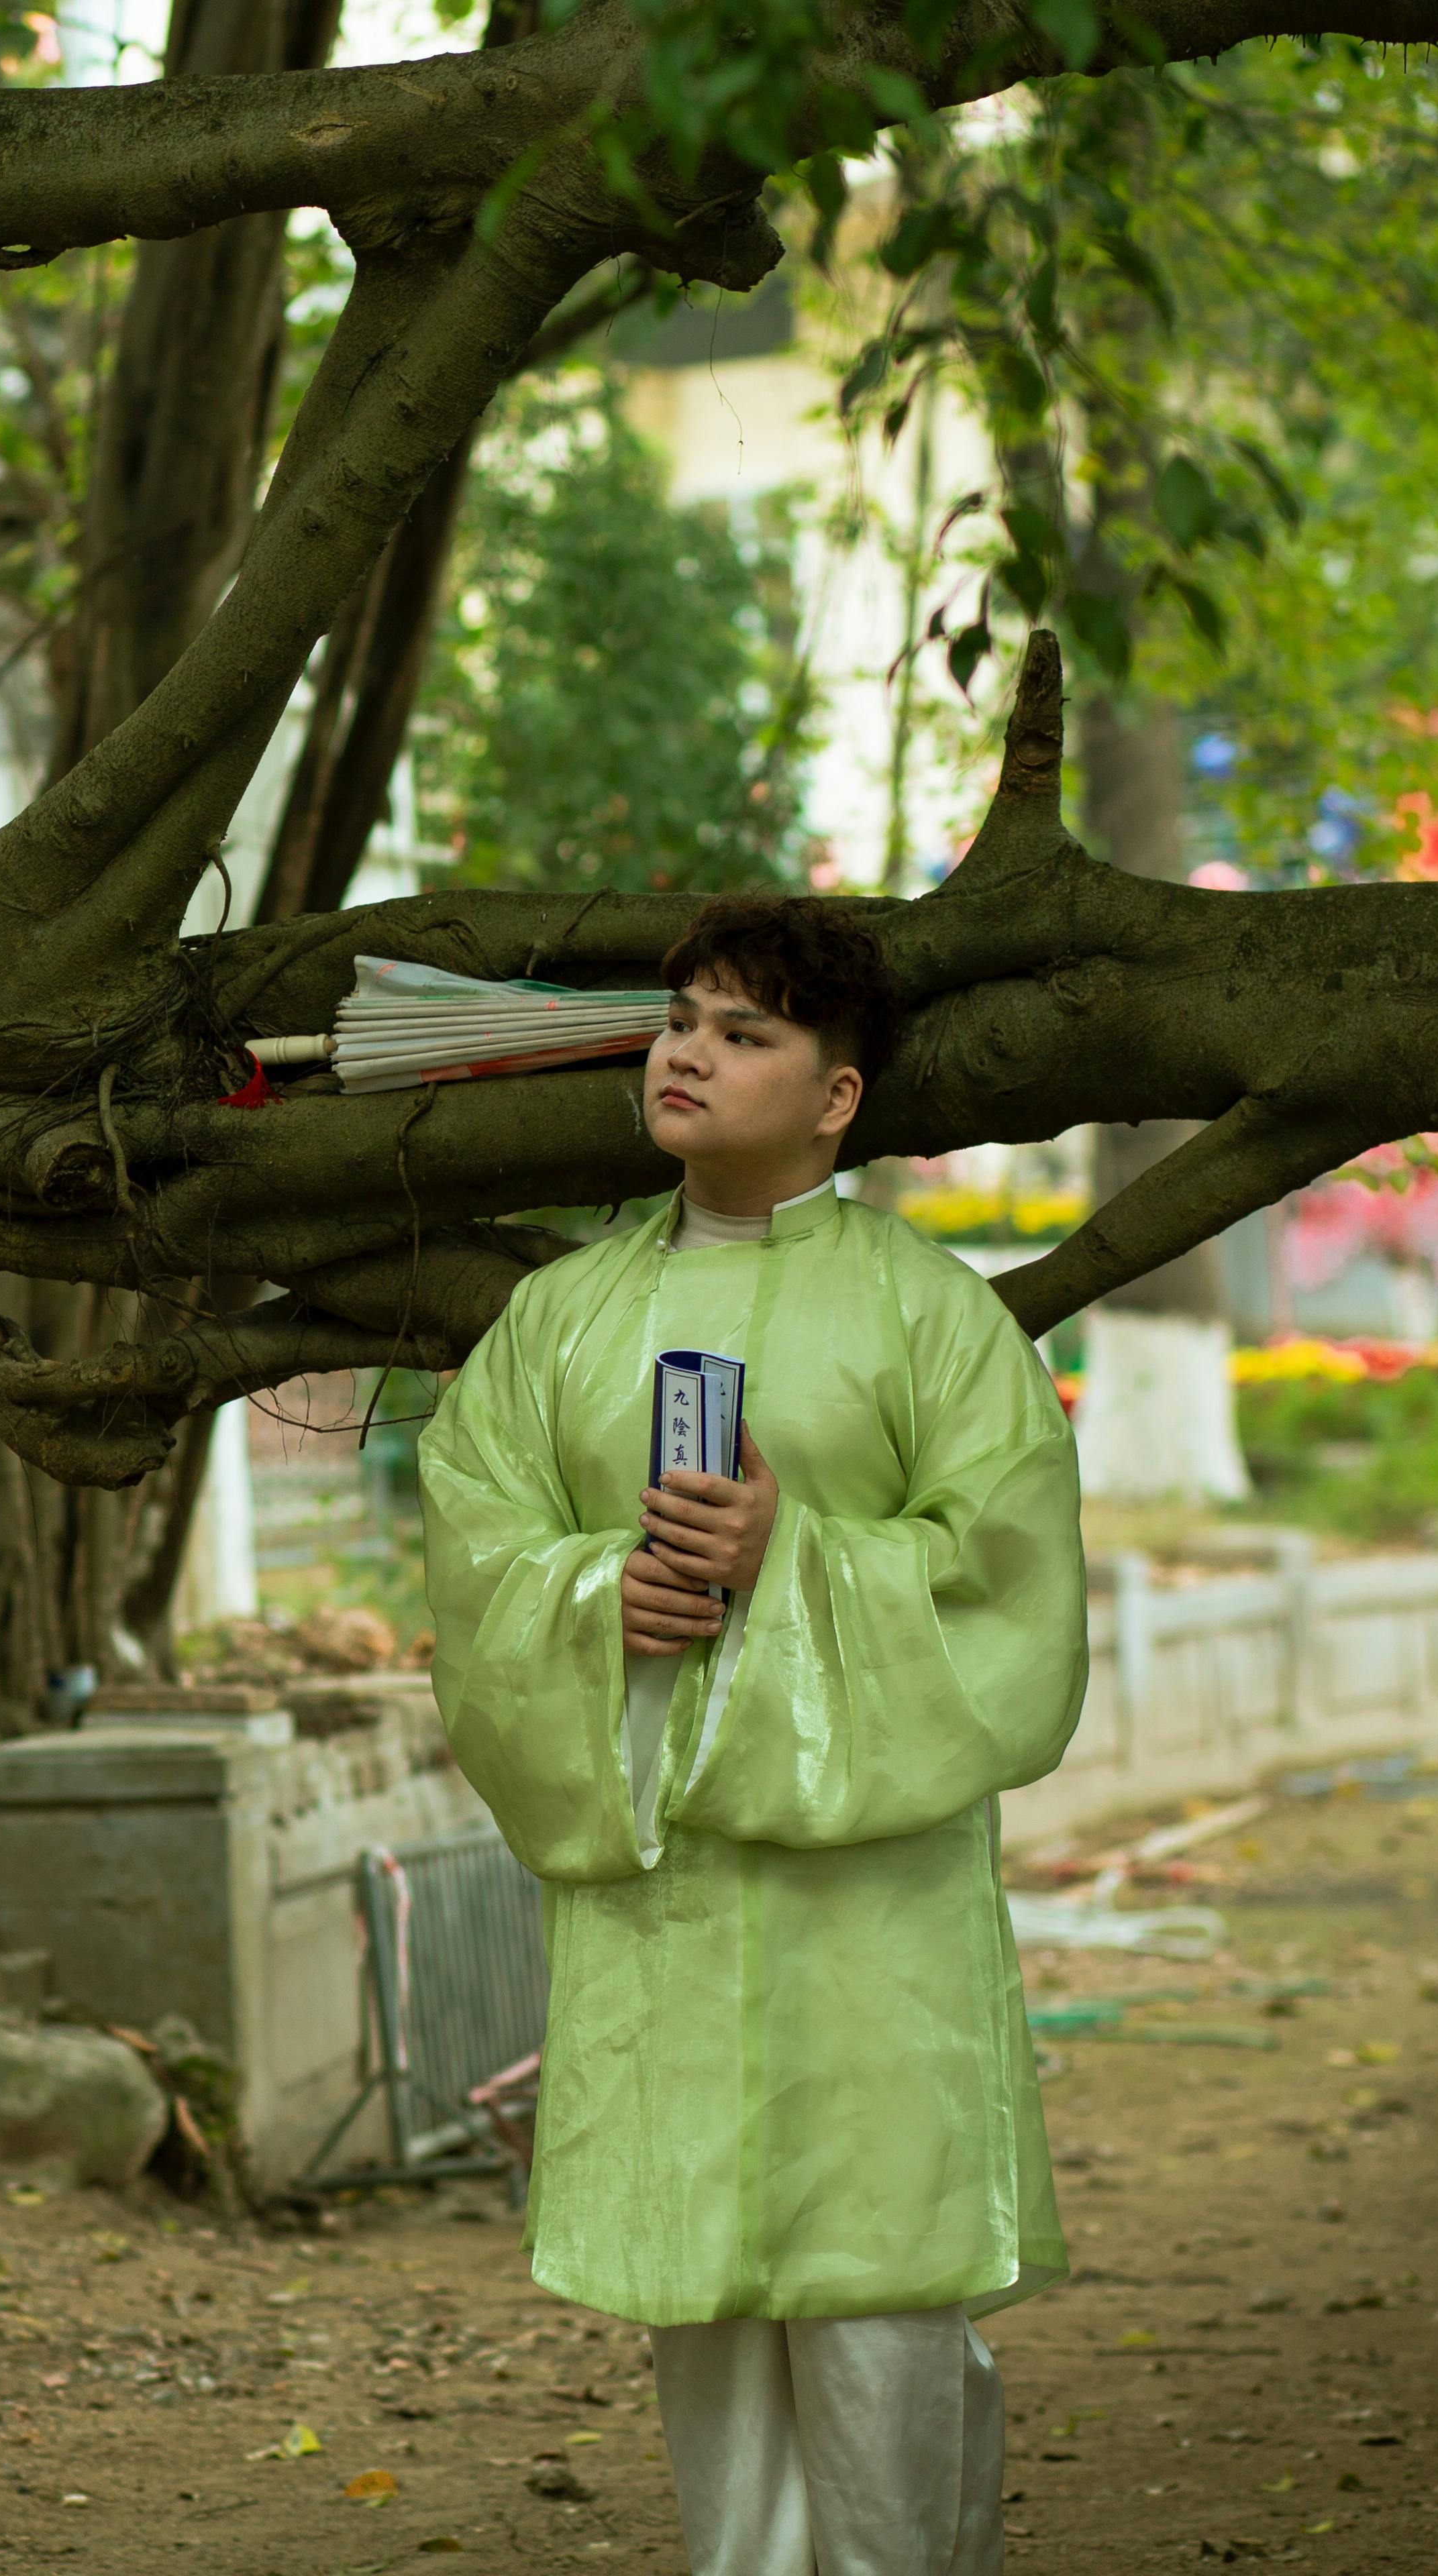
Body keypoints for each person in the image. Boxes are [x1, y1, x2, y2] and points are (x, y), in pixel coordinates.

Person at [417, 892, 1089, 2576]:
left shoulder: (934, 1318)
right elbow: (479, 1542)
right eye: (681, 1020)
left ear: (839, 1096)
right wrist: (598, 1600)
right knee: (701, 2305)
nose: (688, 1054)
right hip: (665, 1891)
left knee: (880, 2309)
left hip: (878, 1923)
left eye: (745, 1032)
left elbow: (1011, 1581)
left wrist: (793, 1561)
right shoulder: (558, 1321)